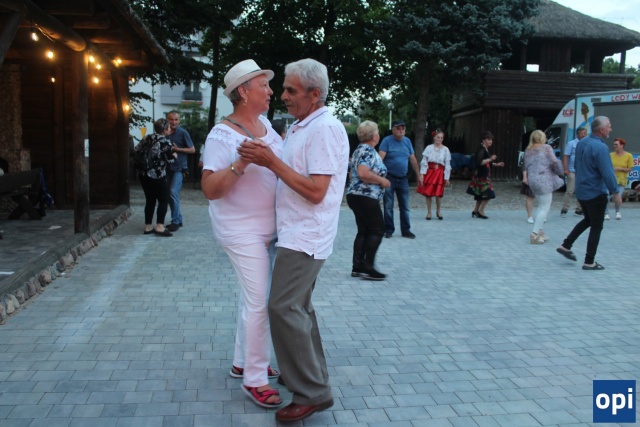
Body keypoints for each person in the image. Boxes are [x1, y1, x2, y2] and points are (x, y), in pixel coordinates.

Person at [237, 58, 348, 423]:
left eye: (290, 90)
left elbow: (316, 191)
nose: (282, 95)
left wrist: (270, 161)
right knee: (298, 308)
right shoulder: (304, 125)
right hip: (296, 232)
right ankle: (306, 375)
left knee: (282, 307)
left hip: (306, 235)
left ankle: (312, 392)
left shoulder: (324, 129)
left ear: (314, 95)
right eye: (283, 88)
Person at [200, 60, 283, 409]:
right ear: (244, 91)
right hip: (240, 230)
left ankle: (241, 361)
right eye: (264, 85)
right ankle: (254, 378)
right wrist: (242, 163)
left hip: (269, 229)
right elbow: (209, 189)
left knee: (253, 298)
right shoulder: (221, 135)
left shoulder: (266, 126)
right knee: (259, 302)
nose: (271, 91)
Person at [556, 116, 621, 270]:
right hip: (595, 192)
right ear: (602, 130)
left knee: (588, 220)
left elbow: (578, 165)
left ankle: (566, 245)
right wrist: (616, 192)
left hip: (582, 190)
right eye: (609, 126)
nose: (611, 129)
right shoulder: (601, 148)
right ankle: (589, 261)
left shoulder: (583, 142)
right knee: (596, 226)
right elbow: (608, 172)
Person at [346, 120, 390, 281]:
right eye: (377, 132)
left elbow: (355, 173)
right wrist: (382, 180)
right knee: (378, 230)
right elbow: (363, 173)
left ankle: (357, 267)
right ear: (374, 136)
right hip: (366, 196)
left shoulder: (359, 150)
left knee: (364, 230)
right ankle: (368, 267)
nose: (378, 134)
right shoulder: (368, 151)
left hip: (355, 195)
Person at [379, 119, 422, 238]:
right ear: (393, 130)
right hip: (389, 177)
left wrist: (418, 175)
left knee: (405, 207)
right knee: (388, 206)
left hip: (403, 178)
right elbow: (380, 159)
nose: (401, 131)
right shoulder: (387, 141)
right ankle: (389, 230)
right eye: (398, 128)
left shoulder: (407, 141)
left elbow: (413, 159)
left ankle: (406, 230)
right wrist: (379, 177)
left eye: (403, 128)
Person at [135, 118, 175, 237]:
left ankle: (148, 226)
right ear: (165, 130)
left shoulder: (147, 138)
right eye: (169, 127)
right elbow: (170, 159)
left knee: (150, 200)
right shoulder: (165, 142)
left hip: (143, 174)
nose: (170, 129)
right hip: (157, 175)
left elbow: (136, 149)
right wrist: (175, 155)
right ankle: (160, 226)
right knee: (163, 199)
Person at [523, 130, 564, 244]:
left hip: (533, 180)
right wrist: (560, 171)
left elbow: (526, 165)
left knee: (541, 205)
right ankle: (535, 233)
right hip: (544, 180)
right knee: (545, 207)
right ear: (542, 138)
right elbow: (554, 161)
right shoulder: (546, 148)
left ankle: (540, 231)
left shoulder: (528, 150)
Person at [166, 110, 195, 231]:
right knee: (169, 194)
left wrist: (178, 149)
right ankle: (178, 219)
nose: (174, 122)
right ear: (168, 120)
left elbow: (192, 149)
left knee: (173, 192)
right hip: (167, 168)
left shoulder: (183, 133)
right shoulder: (165, 133)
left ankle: (175, 221)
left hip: (179, 168)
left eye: (176, 119)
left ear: (179, 120)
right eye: (171, 119)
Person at [466, 131, 504, 218]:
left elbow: (486, 163)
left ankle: (475, 211)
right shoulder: (482, 149)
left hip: (483, 175)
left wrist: (496, 164)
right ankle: (481, 211)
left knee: (480, 194)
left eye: (491, 139)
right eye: (488, 139)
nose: (490, 141)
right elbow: (480, 162)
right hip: (482, 176)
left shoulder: (485, 149)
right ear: (483, 140)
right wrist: (491, 159)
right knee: (489, 194)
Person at [416, 129, 451, 220]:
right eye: (438, 137)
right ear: (434, 138)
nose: (439, 139)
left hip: (440, 173)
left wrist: (447, 177)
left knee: (438, 193)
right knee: (428, 193)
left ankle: (438, 211)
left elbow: (447, 164)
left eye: (441, 138)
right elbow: (424, 162)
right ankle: (429, 212)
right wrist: (422, 174)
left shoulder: (445, 150)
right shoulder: (429, 148)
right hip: (430, 172)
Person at [561, 127, 587, 217]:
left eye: (585, 133)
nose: (584, 135)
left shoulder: (587, 144)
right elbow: (566, 156)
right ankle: (564, 209)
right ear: (577, 134)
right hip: (572, 170)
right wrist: (565, 169)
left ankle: (579, 209)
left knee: (581, 190)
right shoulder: (571, 144)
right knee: (570, 190)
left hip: (583, 171)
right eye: (582, 133)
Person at [605, 137, 633, 220]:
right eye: (614, 144)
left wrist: (620, 169)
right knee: (606, 196)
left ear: (622, 145)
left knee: (618, 196)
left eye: (616, 144)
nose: (614, 146)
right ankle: (606, 213)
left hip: (621, 179)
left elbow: (630, 169)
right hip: (610, 178)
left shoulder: (628, 155)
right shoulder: (610, 155)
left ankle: (617, 211)